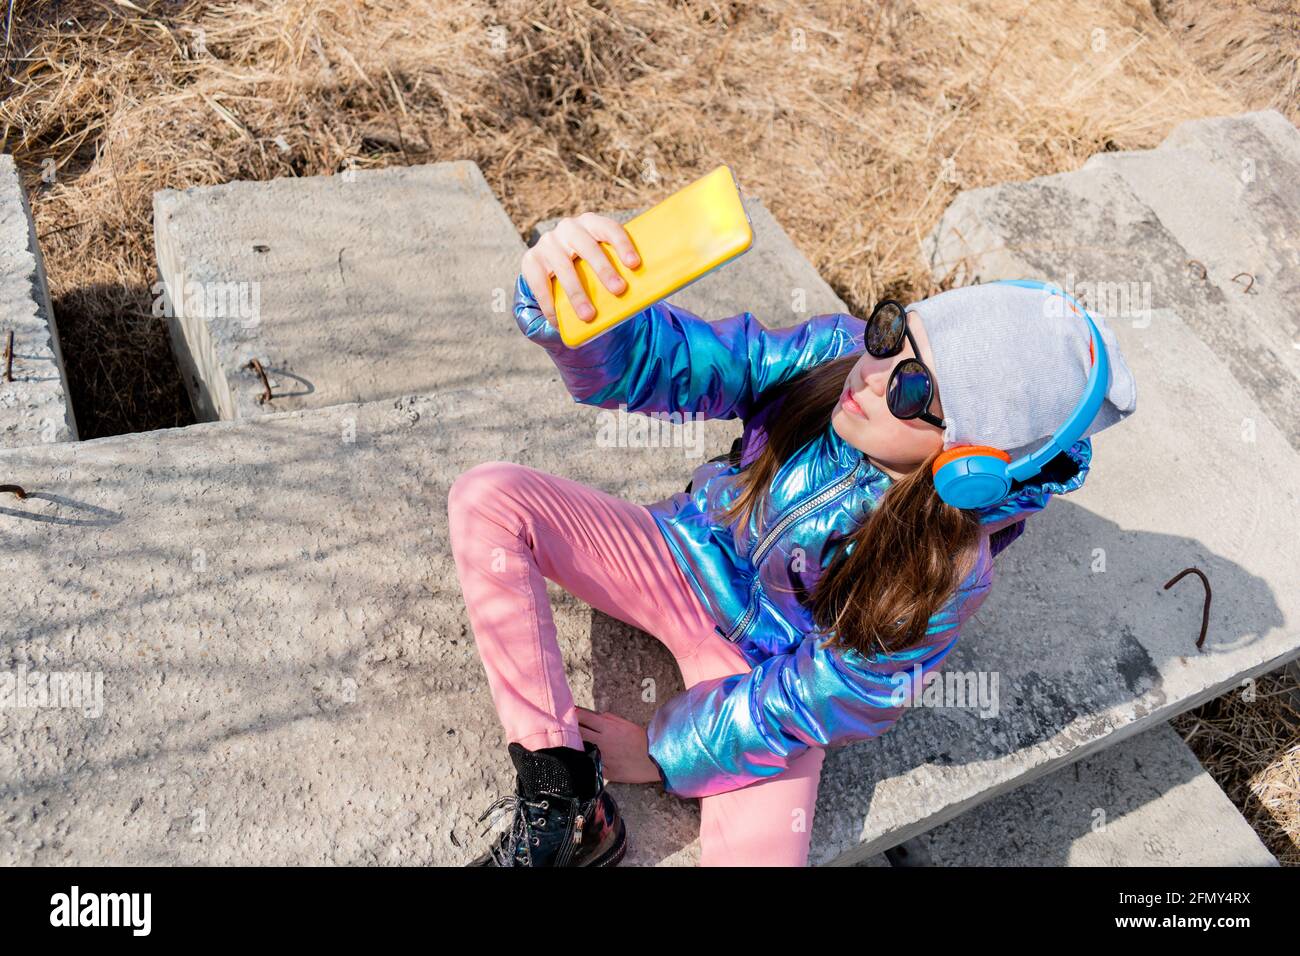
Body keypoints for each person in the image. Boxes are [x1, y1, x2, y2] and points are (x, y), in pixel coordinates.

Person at [449, 211, 1137, 867]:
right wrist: (575, 314)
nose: (871, 377)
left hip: (768, 677)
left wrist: (664, 753)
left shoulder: (945, 568)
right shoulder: (834, 357)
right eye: (893, 332)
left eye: (912, 389)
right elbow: (681, 364)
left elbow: (826, 695)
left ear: (969, 466)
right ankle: (565, 804)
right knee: (489, 497)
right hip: (681, 556)